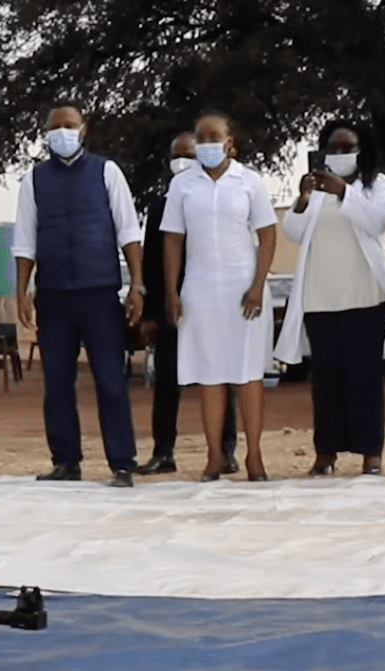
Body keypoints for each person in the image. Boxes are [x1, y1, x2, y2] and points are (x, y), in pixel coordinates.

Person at [13, 100, 144, 487]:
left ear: (84, 128)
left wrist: (137, 284)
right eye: (55, 127)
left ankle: (122, 462)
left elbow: (129, 231)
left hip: (99, 292)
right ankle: (66, 461)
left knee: (110, 379)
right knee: (57, 382)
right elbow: (23, 242)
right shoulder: (33, 180)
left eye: (69, 125)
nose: (62, 133)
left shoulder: (107, 172)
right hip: (53, 296)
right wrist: (21, 292)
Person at [159, 109, 278, 481]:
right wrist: (172, 291)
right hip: (200, 288)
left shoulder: (250, 182)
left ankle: (254, 456)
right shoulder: (182, 185)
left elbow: (268, 234)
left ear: (230, 142)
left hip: (243, 288)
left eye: (215, 137)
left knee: (247, 375)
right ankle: (214, 456)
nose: (207, 144)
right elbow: (173, 240)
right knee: (210, 376)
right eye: (202, 138)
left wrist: (258, 285)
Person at [275, 119, 385, 478]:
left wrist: (346, 192)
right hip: (320, 300)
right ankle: (325, 452)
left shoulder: (377, 185)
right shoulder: (317, 192)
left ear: (362, 151)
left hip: (364, 297)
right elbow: (294, 232)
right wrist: (302, 200)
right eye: (334, 148)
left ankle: (370, 452)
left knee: (365, 378)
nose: (340, 155)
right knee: (327, 381)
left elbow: (378, 223)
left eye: (347, 148)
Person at [137, 132, 239, 476]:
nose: (182, 162)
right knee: (167, 380)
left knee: (222, 376)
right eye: (177, 155)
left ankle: (226, 450)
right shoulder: (160, 205)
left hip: (212, 300)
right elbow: (151, 261)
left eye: (189, 155)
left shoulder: (218, 200)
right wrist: (153, 311)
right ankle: (163, 452)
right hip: (172, 305)